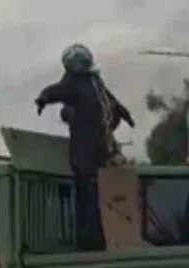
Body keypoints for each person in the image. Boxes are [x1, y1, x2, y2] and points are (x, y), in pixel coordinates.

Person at [35, 44, 135, 248]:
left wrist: (124, 113)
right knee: (88, 192)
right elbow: (56, 91)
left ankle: (106, 232)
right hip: (85, 149)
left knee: (101, 190)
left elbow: (109, 99)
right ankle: (90, 237)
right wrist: (43, 99)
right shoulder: (73, 83)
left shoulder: (94, 80)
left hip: (102, 144)